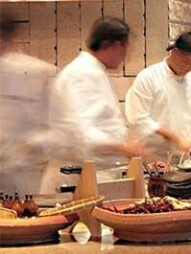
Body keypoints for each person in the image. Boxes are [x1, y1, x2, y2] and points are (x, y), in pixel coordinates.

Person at [51, 17, 145, 189]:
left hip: (99, 172)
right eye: (126, 50)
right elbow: (82, 131)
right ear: (117, 46)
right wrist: (123, 147)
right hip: (80, 178)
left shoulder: (94, 70)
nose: (125, 57)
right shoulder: (81, 74)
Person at [125, 31, 191, 153]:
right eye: (186, 62)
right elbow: (138, 118)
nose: (188, 67)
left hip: (185, 158)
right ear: (174, 51)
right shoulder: (149, 77)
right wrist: (174, 138)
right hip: (152, 157)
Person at [0, 14, 58, 194]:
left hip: (25, 175)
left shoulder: (40, 72)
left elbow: (61, 129)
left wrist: (26, 146)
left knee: (23, 219)